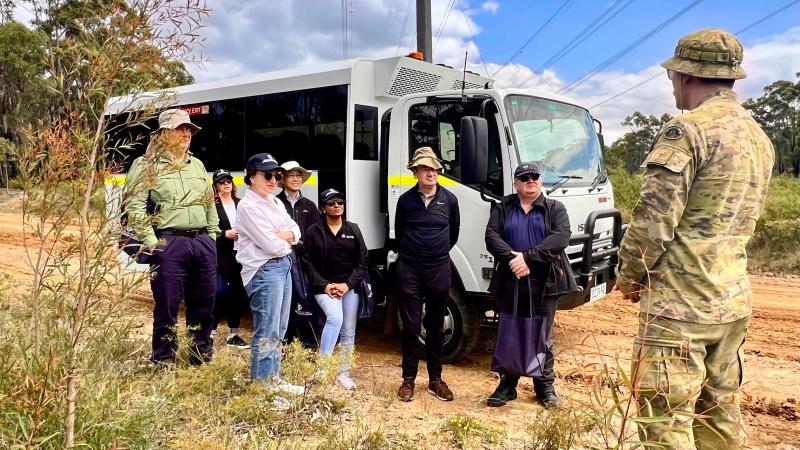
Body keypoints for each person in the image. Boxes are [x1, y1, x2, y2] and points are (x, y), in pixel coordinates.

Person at [615, 28, 774, 449]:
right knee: (719, 416)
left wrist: (630, 278)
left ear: (684, 76)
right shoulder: (758, 137)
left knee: (666, 423)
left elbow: (652, 223)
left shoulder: (687, 131)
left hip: (680, 309)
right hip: (732, 300)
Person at [126, 108, 221, 367]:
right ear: (163, 134)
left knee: (204, 304)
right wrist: (153, 242)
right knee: (167, 306)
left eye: (188, 129)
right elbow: (134, 207)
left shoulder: (198, 164)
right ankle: (164, 360)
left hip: (202, 242)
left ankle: (199, 357)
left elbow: (209, 203)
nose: (186, 134)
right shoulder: (145, 166)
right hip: (169, 243)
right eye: (180, 129)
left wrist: (211, 235)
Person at [484, 163, 575, 408]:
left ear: (540, 180)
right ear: (516, 183)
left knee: (541, 336)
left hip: (545, 283)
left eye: (534, 177)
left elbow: (561, 237)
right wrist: (514, 259)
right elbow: (491, 236)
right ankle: (507, 386)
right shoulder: (503, 207)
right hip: (510, 280)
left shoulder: (555, 208)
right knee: (510, 331)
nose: (530, 181)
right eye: (524, 178)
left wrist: (527, 258)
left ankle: (544, 388)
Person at [236, 153, 305, 407]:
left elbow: (295, 230)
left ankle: (273, 377)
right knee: (266, 330)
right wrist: (283, 239)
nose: (274, 180)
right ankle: (261, 388)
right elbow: (270, 244)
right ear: (251, 177)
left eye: (277, 175)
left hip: (281, 266)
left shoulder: (274, 203)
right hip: (264, 270)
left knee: (279, 328)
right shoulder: (248, 206)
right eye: (268, 175)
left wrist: (283, 236)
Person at [394, 146, 460, 402]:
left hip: (438, 270)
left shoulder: (450, 200)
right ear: (415, 172)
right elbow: (400, 233)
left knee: (435, 327)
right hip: (410, 270)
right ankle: (408, 380)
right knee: (411, 328)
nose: (431, 173)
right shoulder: (406, 200)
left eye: (434, 168)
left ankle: (435, 380)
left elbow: (453, 233)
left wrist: (436, 253)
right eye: (425, 168)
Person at [301, 188, 368, 390]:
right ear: (323, 208)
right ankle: (323, 368)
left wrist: (347, 285)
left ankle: (343, 373)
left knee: (348, 329)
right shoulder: (313, 231)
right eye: (331, 203)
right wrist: (325, 285)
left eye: (340, 202)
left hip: (349, 287)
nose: (337, 205)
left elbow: (363, 261)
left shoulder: (353, 229)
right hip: (324, 287)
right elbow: (307, 263)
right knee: (335, 318)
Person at [276, 161, 321, 347]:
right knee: (285, 300)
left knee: (306, 298)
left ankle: (308, 344)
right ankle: (286, 343)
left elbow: (315, 233)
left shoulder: (309, 205)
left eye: (298, 176)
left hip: (305, 261)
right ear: (283, 179)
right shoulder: (276, 203)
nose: (296, 179)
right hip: (283, 258)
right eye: (291, 175)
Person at [210, 169, 249, 349]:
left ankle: (233, 334)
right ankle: (210, 331)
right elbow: (206, 229)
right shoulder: (211, 204)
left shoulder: (240, 203)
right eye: (221, 182)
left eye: (228, 181)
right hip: (220, 255)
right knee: (218, 292)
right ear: (216, 186)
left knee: (237, 294)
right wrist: (225, 233)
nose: (226, 184)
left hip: (239, 255)